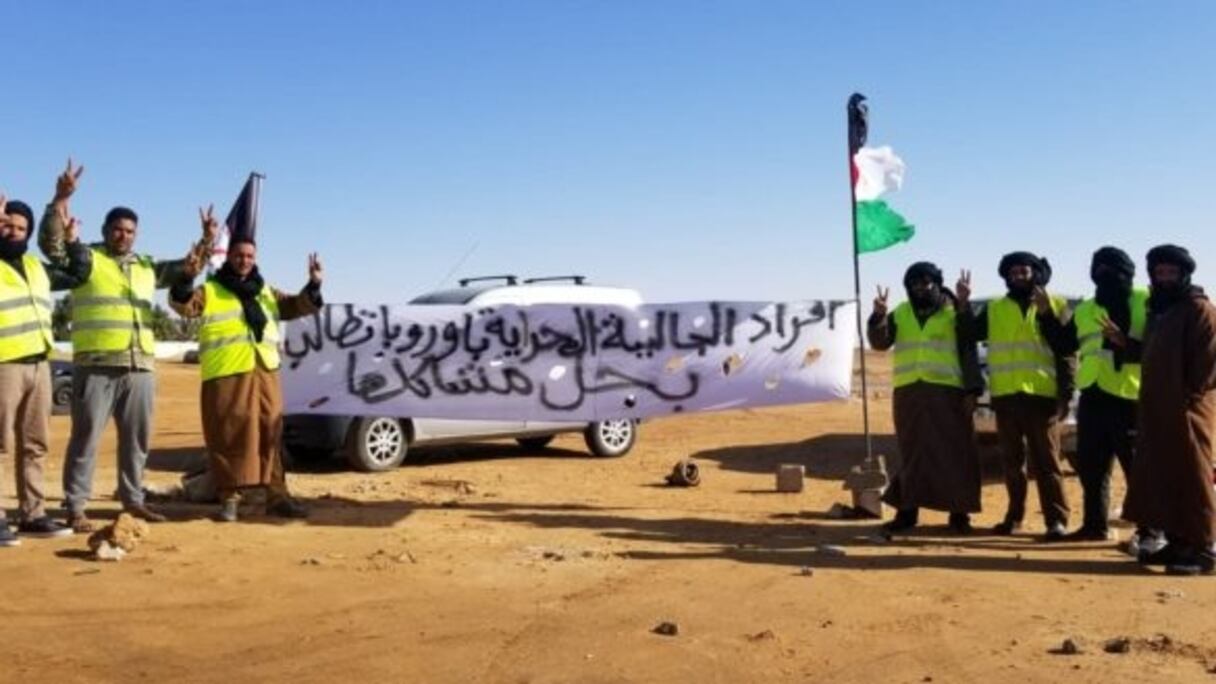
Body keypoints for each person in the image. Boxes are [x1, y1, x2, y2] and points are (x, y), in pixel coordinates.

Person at [38, 160, 212, 532]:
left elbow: (188, 266)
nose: (124, 236)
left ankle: (133, 502)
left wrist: (207, 240)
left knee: (137, 441)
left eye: (130, 231)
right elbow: (51, 245)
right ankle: (76, 506)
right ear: (105, 231)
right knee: (85, 439)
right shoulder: (86, 259)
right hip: (97, 364)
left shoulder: (147, 265)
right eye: (117, 230)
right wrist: (60, 199)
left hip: (140, 367)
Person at [170, 206, 322, 522]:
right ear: (229, 257)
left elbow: (296, 306)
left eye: (250, 256)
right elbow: (181, 304)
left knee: (271, 433)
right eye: (239, 255)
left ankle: (277, 496)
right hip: (226, 376)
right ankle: (229, 498)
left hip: (263, 373)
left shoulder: (265, 291)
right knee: (227, 436)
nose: (245, 260)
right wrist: (192, 265)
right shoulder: (211, 289)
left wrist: (314, 285)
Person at [1036, 247, 1162, 548]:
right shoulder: (1086, 309)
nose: (1106, 276)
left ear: (1128, 273)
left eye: (1114, 270)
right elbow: (1065, 344)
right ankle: (1095, 525)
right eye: (1100, 269)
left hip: (1130, 395)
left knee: (1138, 468)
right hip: (1093, 395)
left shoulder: (1146, 300)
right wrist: (1045, 314)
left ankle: (1151, 530)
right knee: (1092, 467)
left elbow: (1162, 343)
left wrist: (1126, 342)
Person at [957, 252, 1075, 540]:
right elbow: (970, 334)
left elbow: (1066, 347)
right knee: (1012, 463)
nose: (1018, 277)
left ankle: (1056, 521)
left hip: (1041, 396)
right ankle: (1014, 517)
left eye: (1023, 272)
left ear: (1035, 273)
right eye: (1013, 274)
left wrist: (1066, 393)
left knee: (1048, 463)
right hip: (1007, 396)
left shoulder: (1056, 303)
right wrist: (963, 303)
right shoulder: (996, 308)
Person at [0, 194, 91, 545]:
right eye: (7, 225)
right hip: (4, 365)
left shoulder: (37, 268)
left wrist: (72, 241)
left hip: (39, 365)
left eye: (21, 228)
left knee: (35, 443)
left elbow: (78, 273)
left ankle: (33, 513)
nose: (14, 232)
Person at [867, 262, 983, 534]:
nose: (920, 287)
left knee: (957, 453)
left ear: (937, 283)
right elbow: (880, 343)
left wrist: (972, 390)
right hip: (909, 392)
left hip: (949, 392)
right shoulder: (901, 312)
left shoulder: (954, 310)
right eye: (914, 283)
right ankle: (907, 513)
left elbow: (969, 347)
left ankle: (959, 515)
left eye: (926, 282)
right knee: (913, 453)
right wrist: (877, 317)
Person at [1123, 245, 1216, 575]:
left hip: (1187, 409)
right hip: (1157, 408)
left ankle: (1203, 548)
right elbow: (1153, 355)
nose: (1164, 279)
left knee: (1193, 477)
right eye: (1159, 273)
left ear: (1184, 274)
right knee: (1164, 475)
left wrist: (1186, 399)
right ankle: (1178, 542)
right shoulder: (1159, 311)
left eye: (1171, 273)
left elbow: (1206, 363)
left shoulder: (1199, 309)